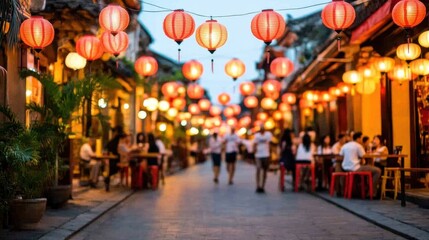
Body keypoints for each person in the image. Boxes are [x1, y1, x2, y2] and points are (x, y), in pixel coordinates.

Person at [340, 132, 381, 197]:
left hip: (345, 168)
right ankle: (371, 193)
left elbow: (341, 155)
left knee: (367, 167)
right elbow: (364, 156)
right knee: (377, 171)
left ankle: (363, 190)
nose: (362, 140)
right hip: (355, 168)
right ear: (358, 139)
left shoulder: (345, 145)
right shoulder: (358, 146)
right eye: (361, 138)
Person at [253, 125, 273, 193]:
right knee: (258, 168)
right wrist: (254, 151)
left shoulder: (268, 135)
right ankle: (258, 185)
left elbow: (270, 144)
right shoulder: (257, 135)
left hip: (266, 154)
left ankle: (263, 186)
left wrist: (270, 153)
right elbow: (254, 144)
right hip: (258, 155)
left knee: (265, 170)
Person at [104, 126, 124, 191]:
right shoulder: (115, 140)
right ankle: (108, 180)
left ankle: (108, 180)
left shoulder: (115, 140)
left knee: (110, 171)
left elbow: (107, 147)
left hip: (114, 158)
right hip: (115, 158)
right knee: (111, 170)